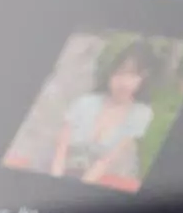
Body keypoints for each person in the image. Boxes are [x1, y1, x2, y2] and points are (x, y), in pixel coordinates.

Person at [50, 43, 158, 191]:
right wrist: (55, 183)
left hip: (99, 179)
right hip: (60, 171)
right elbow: (60, 150)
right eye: (119, 73)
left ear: (143, 78)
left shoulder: (141, 114)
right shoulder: (85, 102)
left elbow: (106, 160)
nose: (124, 82)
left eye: (133, 75)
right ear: (110, 74)